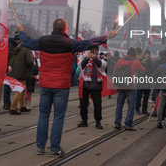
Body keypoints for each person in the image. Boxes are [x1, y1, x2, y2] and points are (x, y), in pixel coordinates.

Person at [17, 18, 117, 157]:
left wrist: (21, 31)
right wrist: (106, 36)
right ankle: (54, 148)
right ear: (64, 29)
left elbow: (27, 42)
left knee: (43, 115)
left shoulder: (42, 41)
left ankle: (40, 147)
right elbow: (89, 42)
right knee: (58, 116)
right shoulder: (70, 43)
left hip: (45, 84)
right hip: (61, 86)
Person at [113, 47, 146, 131]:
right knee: (131, 106)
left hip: (120, 86)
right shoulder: (136, 62)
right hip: (131, 86)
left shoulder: (119, 61)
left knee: (119, 105)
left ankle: (117, 123)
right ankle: (128, 124)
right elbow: (143, 71)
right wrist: (138, 61)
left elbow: (114, 72)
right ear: (134, 55)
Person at [77, 46, 107, 129]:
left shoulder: (101, 58)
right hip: (85, 84)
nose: (92, 51)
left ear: (97, 50)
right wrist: (87, 58)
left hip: (96, 85)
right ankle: (84, 120)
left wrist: (95, 58)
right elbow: (80, 67)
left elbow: (102, 67)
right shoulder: (84, 57)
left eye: (94, 50)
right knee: (83, 104)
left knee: (97, 104)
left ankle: (98, 121)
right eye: (90, 50)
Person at [7, 33, 33, 115]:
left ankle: (23, 106)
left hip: (15, 72)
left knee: (22, 89)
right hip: (23, 73)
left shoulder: (16, 49)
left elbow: (11, 60)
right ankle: (13, 108)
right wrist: (34, 63)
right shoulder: (26, 50)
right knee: (19, 91)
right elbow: (29, 62)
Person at [152, 52, 166, 129]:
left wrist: (160, 83)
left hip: (163, 89)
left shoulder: (161, 67)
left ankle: (159, 122)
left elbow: (154, 75)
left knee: (161, 106)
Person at [136, 49, 155, 115]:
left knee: (146, 97)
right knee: (138, 96)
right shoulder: (140, 61)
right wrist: (141, 63)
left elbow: (154, 70)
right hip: (141, 81)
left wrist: (150, 63)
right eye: (146, 54)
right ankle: (137, 109)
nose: (147, 55)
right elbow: (137, 69)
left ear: (150, 55)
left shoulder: (152, 62)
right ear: (144, 55)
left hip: (148, 82)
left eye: (148, 54)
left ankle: (144, 109)